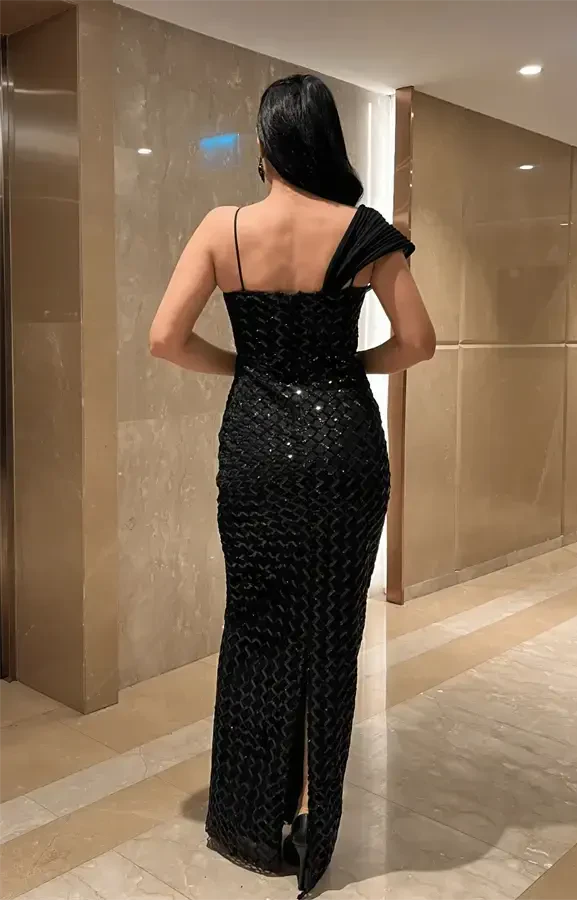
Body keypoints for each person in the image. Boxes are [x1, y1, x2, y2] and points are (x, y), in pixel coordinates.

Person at [150, 74, 435, 898]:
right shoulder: (368, 233)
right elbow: (418, 342)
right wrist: (348, 364)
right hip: (345, 447)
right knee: (331, 632)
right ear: (326, 142)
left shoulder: (223, 229)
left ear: (267, 145)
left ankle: (249, 819)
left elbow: (166, 338)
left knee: (257, 626)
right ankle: (317, 821)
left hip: (257, 449)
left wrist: (246, 369)